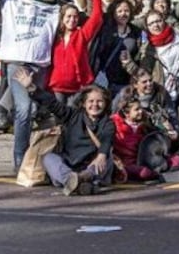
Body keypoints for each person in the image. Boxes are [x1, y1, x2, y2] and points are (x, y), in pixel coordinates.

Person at [0, 0, 65, 170]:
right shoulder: (20, 0)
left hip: (41, 66)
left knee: (39, 110)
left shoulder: (60, 7)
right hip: (18, 62)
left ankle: (36, 155)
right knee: (25, 109)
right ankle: (20, 160)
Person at [12, 67, 113, 196]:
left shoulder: (108, 123)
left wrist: (102, 155)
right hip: (69, 167)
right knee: (49, 158)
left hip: (91, 167)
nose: (95, 105)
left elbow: (107, 139)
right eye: (91, 101)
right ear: (83, 103)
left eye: (100, 101)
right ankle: (74, 181)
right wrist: (32, 88)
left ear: (105, 104)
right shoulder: (72, 115)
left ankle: (82, 179)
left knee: (106, 157)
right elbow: (52, 104)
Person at [47, 0, 104, 102]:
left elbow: (97, 17)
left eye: (75, 17)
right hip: (57, 86)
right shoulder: (55, 36)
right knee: (59, 118)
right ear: (62, 18)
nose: (72, 20)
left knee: (73, 119)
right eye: (68, 16)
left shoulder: (81, 35)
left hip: (78, 87)